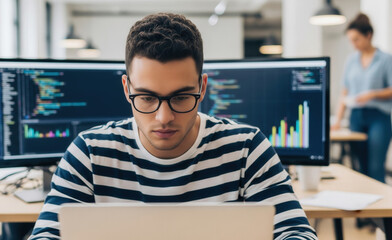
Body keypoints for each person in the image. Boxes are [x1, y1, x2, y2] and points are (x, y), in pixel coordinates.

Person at [28, 13, 317, 240]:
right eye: (146, 97)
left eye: (180, 97)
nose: (163, 117)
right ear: (126, 87)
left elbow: (297, 233)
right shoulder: (89, 153)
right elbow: (46, 235)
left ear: (202, 88)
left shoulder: (246, 149)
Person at [332, 13, 392, 183]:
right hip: (356, 117)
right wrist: (337, 121)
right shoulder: (351, 61)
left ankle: (383, 208)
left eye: (356, 39)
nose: (353, 44)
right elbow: (344, 92)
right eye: (351, 40)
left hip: (378, 117)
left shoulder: (386, 60)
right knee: (360, 168)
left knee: (375, 167)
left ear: (368, 35)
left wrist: (372, 93)